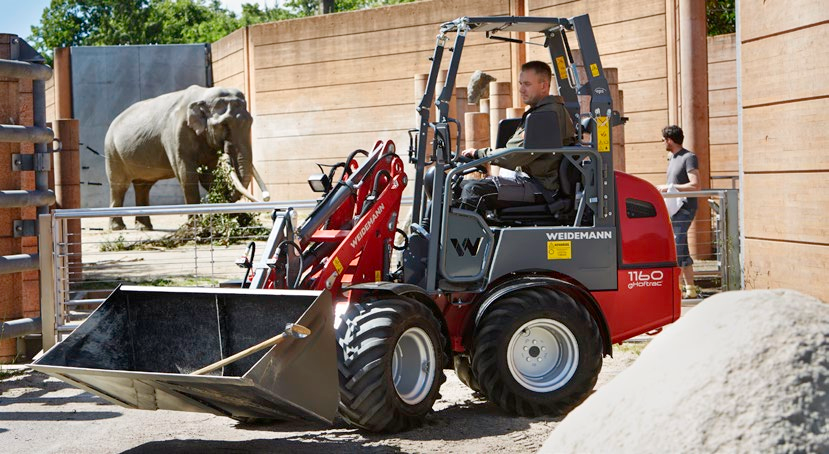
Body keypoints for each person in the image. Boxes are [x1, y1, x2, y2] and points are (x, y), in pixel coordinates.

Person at [457, 60, 576, 213]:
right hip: (529, 180)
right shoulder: (540, 112)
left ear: (544, 86)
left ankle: (466, 237)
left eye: (527, 84)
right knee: (457, 186)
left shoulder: (547, 116)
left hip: (540, 187)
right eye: (520, 83)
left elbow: (514, 156)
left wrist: (479, 154)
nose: (521, 89)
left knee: (474, 190)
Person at [657, 125, 701, 299]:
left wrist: (671, 187)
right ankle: (690, 289)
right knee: (682, 246)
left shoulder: (689, 157)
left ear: (669, 140)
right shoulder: (672, 157)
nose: (663, 144)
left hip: (685, 208)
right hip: (674, 208)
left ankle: (677, 288)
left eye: (663, 140)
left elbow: (696, 184)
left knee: (677, 246)